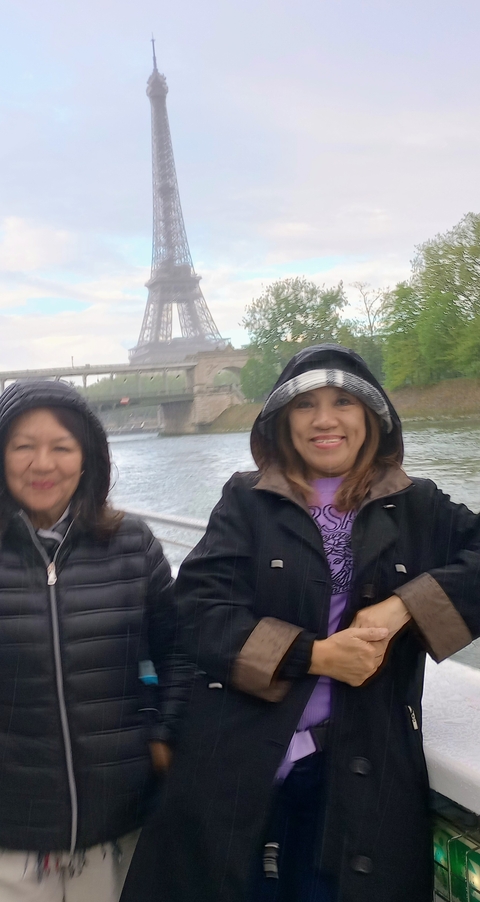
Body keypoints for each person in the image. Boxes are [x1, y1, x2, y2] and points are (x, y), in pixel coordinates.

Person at [121, 344, 480, 902]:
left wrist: (405, 604)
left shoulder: (417, 505)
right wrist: (312, 656)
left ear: (372, 416)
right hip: (244, 760)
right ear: (282, 422)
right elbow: (199, 611)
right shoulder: (246, 500)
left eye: (343, 401)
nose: (325, 420)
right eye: (305, 405)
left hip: (361, 763)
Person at [0, 379, 190, 902]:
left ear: (87, 460)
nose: (43, 464)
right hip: (10, 834)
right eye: (23, 446)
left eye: (61, 447)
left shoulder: (132, 544)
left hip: (119, 817)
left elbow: (178, 651)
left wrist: (162, 734)